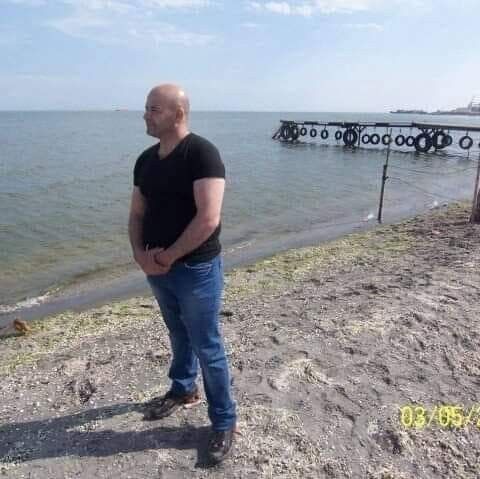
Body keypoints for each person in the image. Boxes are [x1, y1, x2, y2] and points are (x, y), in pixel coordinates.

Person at [128, 84, 237, 464]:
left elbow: (208, 218)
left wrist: (168, 256)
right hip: (158, 268)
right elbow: (136, 214)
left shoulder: (202, 154)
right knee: (177, 333)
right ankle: (182, 389)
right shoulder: (145, 160)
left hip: (195, 269)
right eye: (146, 108)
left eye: (153, 109)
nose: (145, 115)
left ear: (178, 113)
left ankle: (224, 420)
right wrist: (140, 256)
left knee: (207, 345)